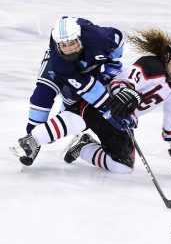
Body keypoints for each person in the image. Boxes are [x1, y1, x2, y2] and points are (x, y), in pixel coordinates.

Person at [12, 28, 171, 173]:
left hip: (119, 121)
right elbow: (124, 79)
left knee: (123, 166)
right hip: (102, 101)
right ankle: (33, 139)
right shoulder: (151, 65)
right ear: (168, 57)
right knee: (79, 120)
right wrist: (125, 93)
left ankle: (84, 147)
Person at [24, 16, 126, 161]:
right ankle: (32, 140)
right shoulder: (59, 61)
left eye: (72, 43)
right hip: (64, 68)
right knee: (41, 96)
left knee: (78, 111)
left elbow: (118, 39)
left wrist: (113, 62)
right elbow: (87, 88)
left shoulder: (99, 38)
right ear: (57, 45)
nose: (69, 49)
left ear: (79, 38)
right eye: (63, 46)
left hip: (88, 67)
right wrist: (109, 106)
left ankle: (49, 135)